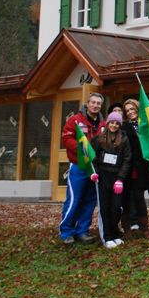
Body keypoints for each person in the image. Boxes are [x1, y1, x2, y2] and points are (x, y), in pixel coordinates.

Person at [59, 92, 106, 245]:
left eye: (99, 103)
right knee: (74, 200)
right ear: (87, 103)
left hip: (95, 168)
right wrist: (82, 151)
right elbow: (67, 138)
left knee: (90, 201)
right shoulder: (75, 120)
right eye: (93, 102)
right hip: (79, 166)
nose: (96, 105)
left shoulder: (103, 124)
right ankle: (67, 231)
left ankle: (82, 231)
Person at [90, 111, 131, 249]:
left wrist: (120, 178)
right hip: (103, 177)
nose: (114, 125)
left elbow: (127, 160)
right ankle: (107, 237)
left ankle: (115, 234)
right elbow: (92, 158)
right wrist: (94, 172)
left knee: (116, 208)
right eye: (112, 122)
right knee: (105, 207)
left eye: (117, 123)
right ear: (107, 123)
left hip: (117, 177)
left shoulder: (124, 139)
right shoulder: (98, 139)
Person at [121, 99, 149, 236]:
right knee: (127, 196)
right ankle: (128, 226)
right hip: (127, 166)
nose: (130, 112)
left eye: (132, 109)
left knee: (139, 196)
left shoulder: (145, 124)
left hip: (143, 166)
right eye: (127, 111)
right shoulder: (124, 126)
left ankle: (144, 226)